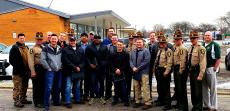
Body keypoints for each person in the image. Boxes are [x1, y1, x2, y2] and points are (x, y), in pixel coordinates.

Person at [62, 36, 85, 108]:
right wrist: (75, 67)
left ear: (76, 41)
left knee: (77, 86)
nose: (72, 42)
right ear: (69, 41)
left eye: (74, 40)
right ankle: (67, 102)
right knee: (68, 87)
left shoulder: (80, 49)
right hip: (69, 71)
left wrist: (79, 67)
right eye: (71, 41)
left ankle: (77, 99)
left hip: (78, 71)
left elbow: (84, 60)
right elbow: (65, 61)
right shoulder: (65, 50)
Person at [40, 34, 62, 111]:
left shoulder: (60, 48)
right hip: (50, 71)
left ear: (57, 40)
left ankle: (56, 101)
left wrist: (61, 66)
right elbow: (42, 59)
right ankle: (46, 104)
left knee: (58, 87)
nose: (54, 40)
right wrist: (48, 68)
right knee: (49, 88)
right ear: (50, 40)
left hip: (59, 71)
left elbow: (62, 58)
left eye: (55, 39)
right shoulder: (45, 48)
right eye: (52, 39)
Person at [9, 33, 32, 108]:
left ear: (25, 39)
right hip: (18, 72)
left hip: (26, 71)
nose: (22, 39)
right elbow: (11, 60)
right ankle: (16, 101)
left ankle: (23, 99)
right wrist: (19, 68)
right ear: (18, 39)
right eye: (21, 38)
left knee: (25, 86)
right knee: (17, 87)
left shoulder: (26, 47)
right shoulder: (14, 47)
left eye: (23, 38)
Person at [85, 35, 108, 105]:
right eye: (96, 38)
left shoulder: (104, 46)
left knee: (101, 83)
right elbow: (86, 57)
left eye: (98, 38)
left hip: (101, 68)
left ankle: (101, 96)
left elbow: (107, 57)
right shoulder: (89, 47)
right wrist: (90, 64)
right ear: (93, 39)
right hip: (92, 68)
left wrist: (102, 64)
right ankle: (92, 96)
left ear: (100, 39)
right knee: (92, 82)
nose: (97, 39)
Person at [130, 38, 152, 110]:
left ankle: (148, 103)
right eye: (137, 42)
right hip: (135, 72)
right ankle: (137, 101)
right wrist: (133, 67)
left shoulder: (146, 51)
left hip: (143, 72)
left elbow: (146, 61)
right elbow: (130, 61)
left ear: (143, 43)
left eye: (140, 42)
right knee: (136, 87)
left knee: (145, 88)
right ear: (135, 43)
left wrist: (137, 68)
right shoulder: (133, 51)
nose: (138, 44)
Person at [187, 30, 206, 111]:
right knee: (193, 90)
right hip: (191, 71)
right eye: (191, 38)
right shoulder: (190, 47)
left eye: (194, 38)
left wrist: (201, 75)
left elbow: (203, 62)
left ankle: (198, 107)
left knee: (198, 91)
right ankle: (195, 106)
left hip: (197, 71)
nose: (192, 39)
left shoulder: (201, 48)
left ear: (197, 38)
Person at [202, 31, 221, 111]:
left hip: (211, 68)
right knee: (204, 88)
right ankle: (207, 105)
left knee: (212, 88)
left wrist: (215, 68)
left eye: (208, 35)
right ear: (204, 36)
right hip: (203, 69)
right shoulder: (202, 45)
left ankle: (213, 106)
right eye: (205, 35)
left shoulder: (215, 45)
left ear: (211, 36)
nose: (207, 37)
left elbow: (218, 58)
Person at [153, 36, 173, 110]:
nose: (161, 44)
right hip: (158, 71)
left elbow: (169, 63)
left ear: (166, 43)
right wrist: (154, 70)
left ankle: (168, 104)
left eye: (163, 43)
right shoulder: (159, 50)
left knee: (166, 88)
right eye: (160, 43)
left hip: (164, 72)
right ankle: (161, 101)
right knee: (160, 87)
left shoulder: (169, 51)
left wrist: (166, 72)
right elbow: (156, 61)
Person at [27, 32, 46, 108]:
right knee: (36, 87)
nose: (39, 40)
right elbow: (30, 61)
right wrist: (32, 71)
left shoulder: (44, 47)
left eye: (40, 39)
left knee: (42, 86)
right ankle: (37, 102)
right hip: (36, 69)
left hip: (43, 69)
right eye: (38, 39)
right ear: (35, 39)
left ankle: (41, 101)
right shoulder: (32, 49)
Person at [109, 40, 130, 107]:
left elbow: (126, 64)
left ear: (123, 46)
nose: (119, 46)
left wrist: (120, 69)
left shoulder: (126, 54)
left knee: (124, 87)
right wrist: (115, 69)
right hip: (115, 73)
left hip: (123, 72)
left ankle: (126, 100)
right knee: (116, 87)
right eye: (118, 45)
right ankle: (115, 100)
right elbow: (111, 63)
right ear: (116, 46)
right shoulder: (112, 54)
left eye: (120, 45)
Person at [172, 30, 188, 111]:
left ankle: (183, 106)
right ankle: (179, 103)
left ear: (181, 40)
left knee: (182, 88)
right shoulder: (175, 47)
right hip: (176, 68)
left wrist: (181, 71)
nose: (176, 41)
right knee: (178, 88)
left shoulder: (182, 48)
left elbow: (183, 61)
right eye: (175, 39)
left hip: (180, 69)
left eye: (178, 39)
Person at [105, 33, 118, 100]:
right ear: (111, 39)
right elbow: (106, 57)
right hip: (109, 68)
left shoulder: (120, 46)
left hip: (118, 68)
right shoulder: (107, 46)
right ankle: (108, 95)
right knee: (108, 83)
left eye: (115, 38)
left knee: (117, 83)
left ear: (117, 39)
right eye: (113, 38)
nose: (114, 39)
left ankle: (117, 96)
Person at [78, 33, 91, 101]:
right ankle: (79, 95)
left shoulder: (90, 45)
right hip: (79, 66)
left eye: (85, 37)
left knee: (87, 82)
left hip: (88, 67)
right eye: (82, 36)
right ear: (80, 37)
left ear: (87, 38)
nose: (84, 38)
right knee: (79, 81)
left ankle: (86, 95)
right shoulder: (77, 45)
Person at [147, 32, 158, 98]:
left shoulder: (158, 44)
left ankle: (161, 97)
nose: (152, 37)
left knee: (158, 81)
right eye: (151, 36)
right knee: (149, 81)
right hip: (149, 65)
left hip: (156, 65)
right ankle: (149, 95)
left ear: (155, 37)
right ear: (149, 37)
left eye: (153, 36)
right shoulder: (147, 45)